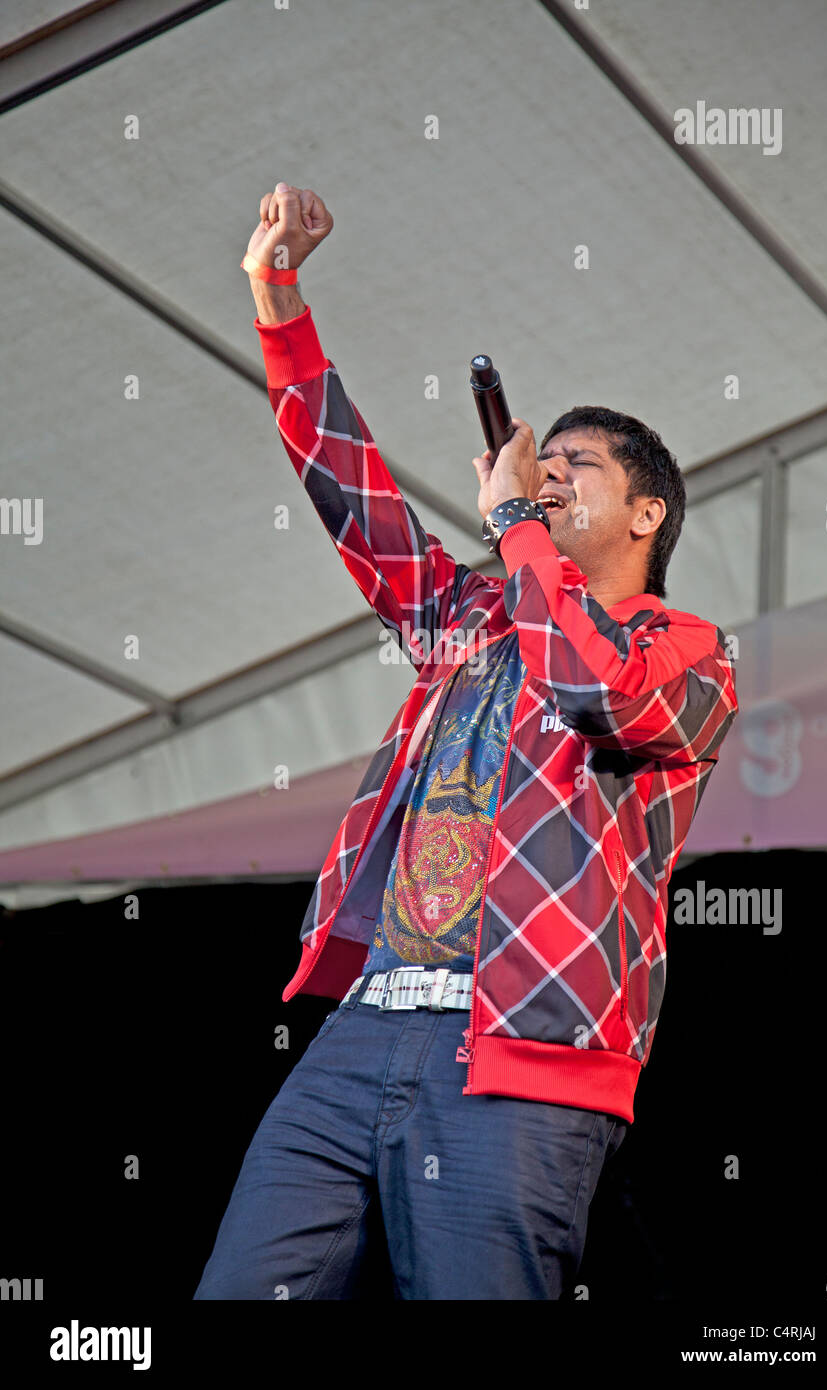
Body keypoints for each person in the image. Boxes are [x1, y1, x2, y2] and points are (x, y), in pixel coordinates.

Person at [193, 182, 738, 1301]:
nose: (542, 480)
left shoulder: (684, 649)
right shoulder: (469, 618)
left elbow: (599, 693)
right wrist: (277, 298)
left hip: (521, 1064)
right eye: (538, 469)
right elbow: (350, 490)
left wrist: (513, 530)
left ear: (646, 516)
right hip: (361, 1035)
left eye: (573, 468)